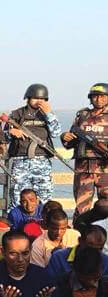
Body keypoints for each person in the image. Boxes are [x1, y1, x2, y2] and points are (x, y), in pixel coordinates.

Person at [5, 84, 62, 207]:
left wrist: (49, 114)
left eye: (42, 99)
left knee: (45, 197)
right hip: (21, 161)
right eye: (35, 98)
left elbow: (56, 132)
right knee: (17, 196)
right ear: (28, 98)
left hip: (42, 161)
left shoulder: (48, 115)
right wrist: (11, 132)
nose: (39, 101)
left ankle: (43, 218)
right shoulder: (17, 114)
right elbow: (4, 137)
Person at [60, 83, 108, 215]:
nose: (99, 99)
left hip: (105, 168)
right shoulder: (82, 115)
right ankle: (81, 228)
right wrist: (65, 137)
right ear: (90, 98)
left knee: (106, 206)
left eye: (103, 96)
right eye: (95, 96)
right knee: (82, 208)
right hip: (83, 168)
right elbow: (70, 143)